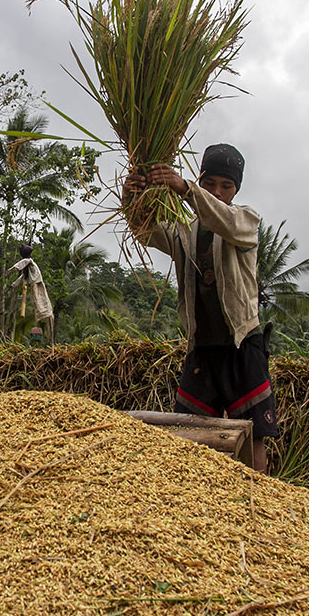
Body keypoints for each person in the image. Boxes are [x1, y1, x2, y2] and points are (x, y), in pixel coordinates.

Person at [123, 143, 277, 472]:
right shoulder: (185, 228)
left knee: (254, 436)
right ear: (201, 180)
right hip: (202, 349)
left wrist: (186, 189)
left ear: (236, 189)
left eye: (226, 185)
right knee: (188, 434)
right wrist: (133, 196)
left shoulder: (246, 220)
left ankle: (259, 496)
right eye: (210, 184)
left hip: (241, 345)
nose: (218, 192)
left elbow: (226, 222)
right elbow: (146, 230)